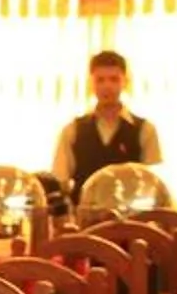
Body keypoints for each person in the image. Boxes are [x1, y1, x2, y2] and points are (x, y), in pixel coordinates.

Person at [50, 50, 161, 190]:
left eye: (114, 79)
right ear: (91, 84)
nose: (107, 86)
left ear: (125, 82)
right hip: (83, 210)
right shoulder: (72, 130)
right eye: (100, 80)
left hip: (130, 211)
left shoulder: (145, 130)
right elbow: (61, 180)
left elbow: (152, 184)